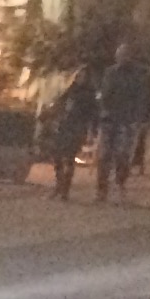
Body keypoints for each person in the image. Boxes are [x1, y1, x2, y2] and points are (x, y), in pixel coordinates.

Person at [93, 43, 150, 200]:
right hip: (109, 120)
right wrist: (101, 110)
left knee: (122, 155)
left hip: (127, 120)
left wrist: (139, 118)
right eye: (119, 55)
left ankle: (119, 183)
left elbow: (142, 98)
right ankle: (102, 189)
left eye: (124, 55)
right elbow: (104, 94)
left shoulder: (138, 75)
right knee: (104, 155)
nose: (121, 58)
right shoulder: (110, 72)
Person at [48, 62, 100, 202]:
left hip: (77, 128)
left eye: (83, 76)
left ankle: (65, 190)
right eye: (78, 76)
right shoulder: (71, 90)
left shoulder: (89, 95)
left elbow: (93, 115)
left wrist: (92, 132)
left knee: (69, 158)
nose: (80, 78)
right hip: (65, 125)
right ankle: (59, 184)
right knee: (57, 156)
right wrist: (54, 114)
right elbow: (60, 103)